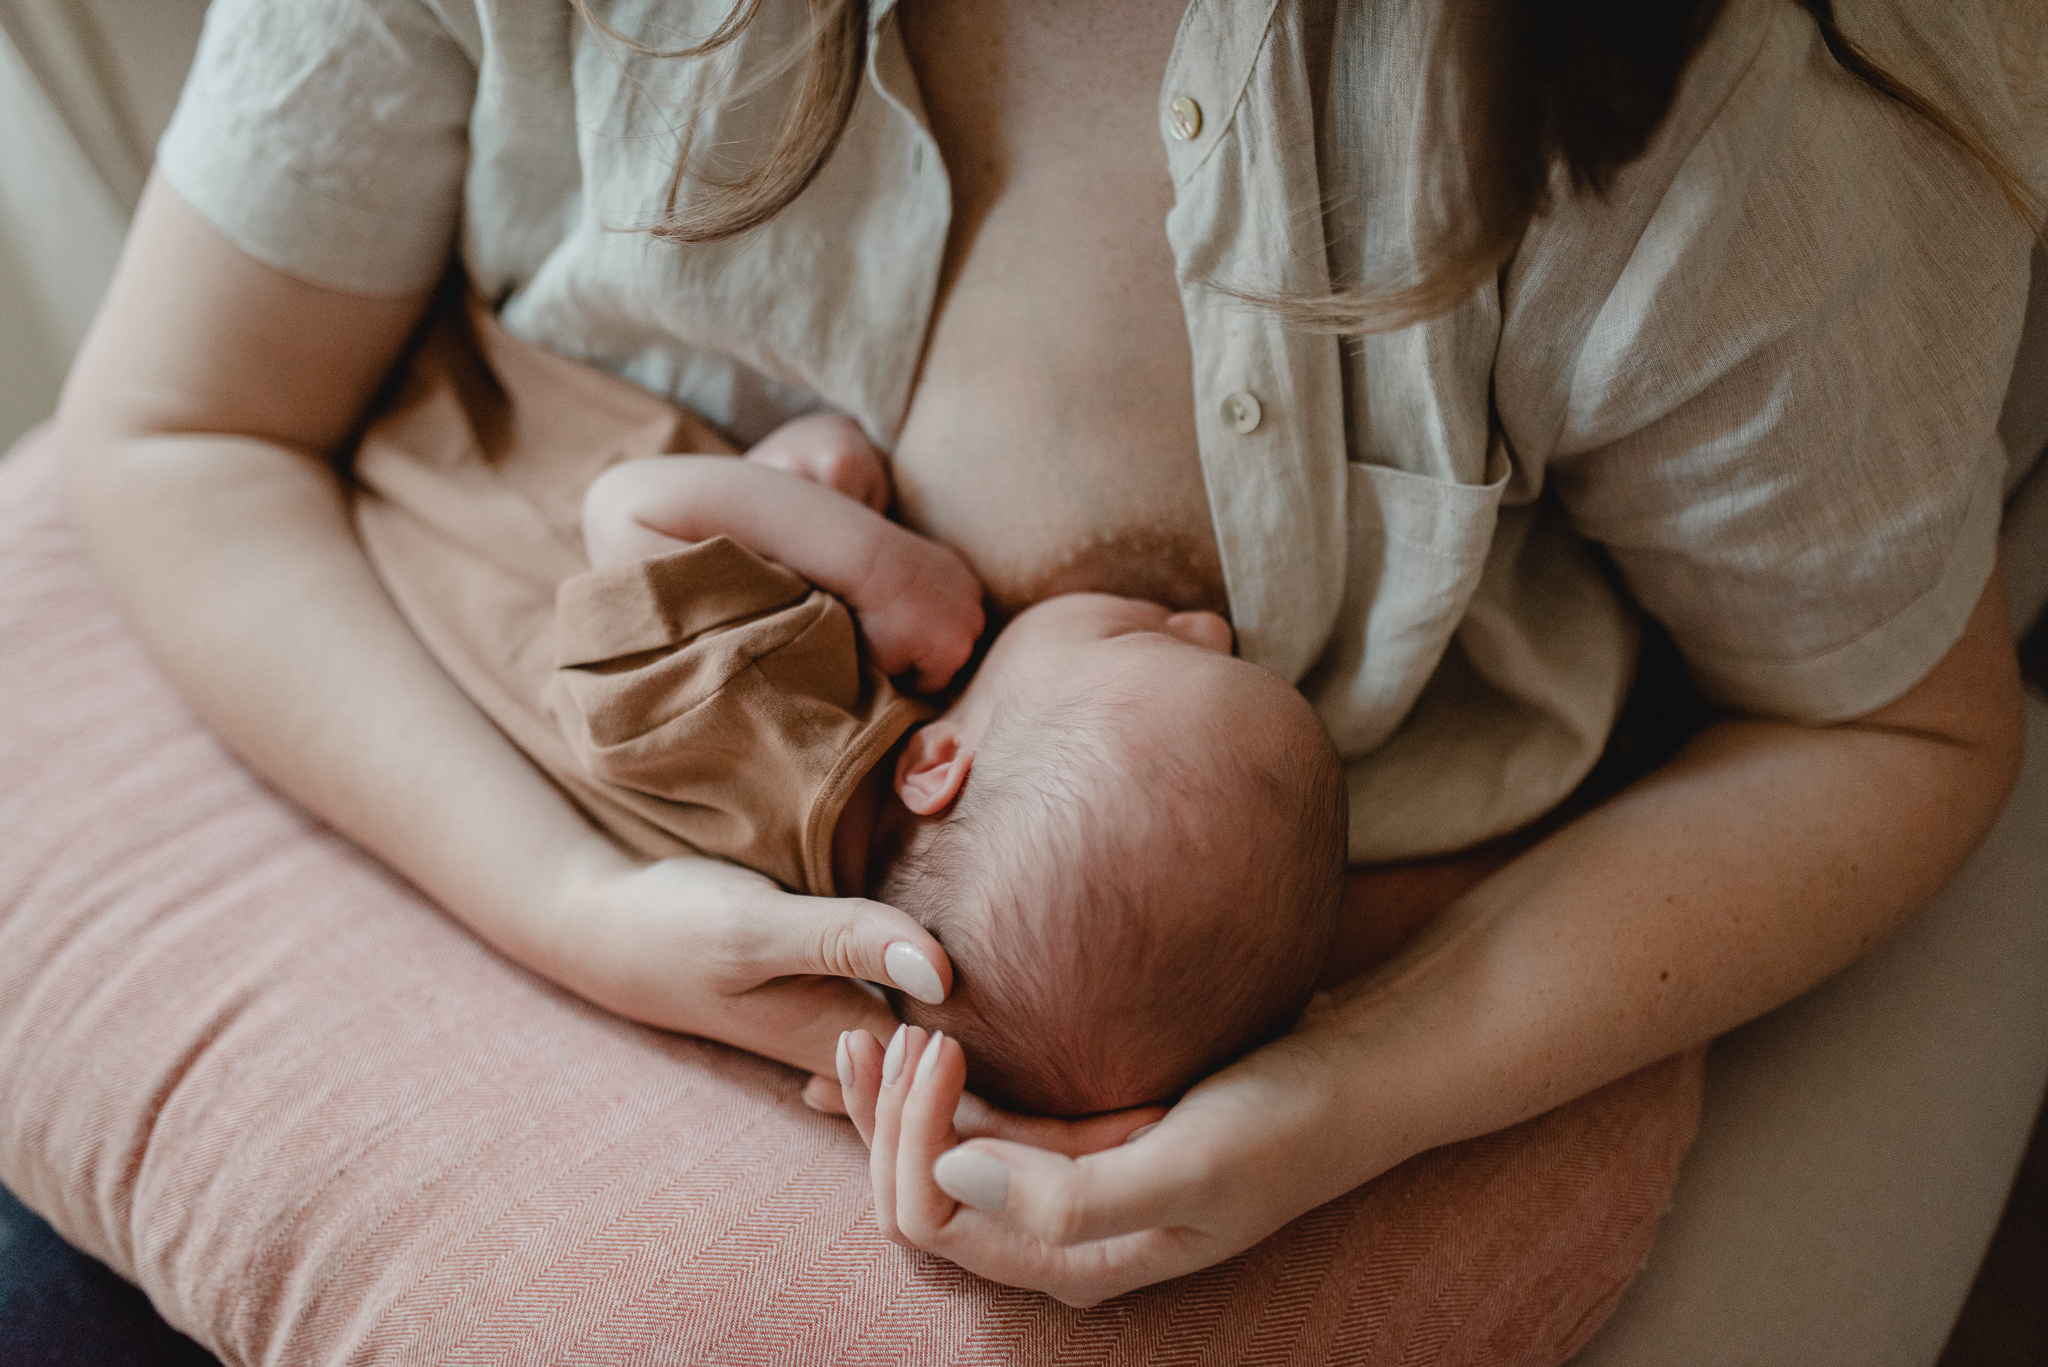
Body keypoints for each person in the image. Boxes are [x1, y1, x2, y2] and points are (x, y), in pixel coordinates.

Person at [54, 0, 2038, 1314]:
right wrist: (565, 901)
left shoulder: (1700, 127)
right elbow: (184, 430)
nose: (1193, 627)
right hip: (382, 784)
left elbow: (1889, 724)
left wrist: (1362, 1085)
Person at [575, 417, 1348, 1114]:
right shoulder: (813, 929)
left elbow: (627, 507)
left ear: (936, 763)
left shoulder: (779, 728)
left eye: (1154, 641)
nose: (1213, 623)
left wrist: (867, 558)